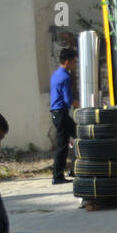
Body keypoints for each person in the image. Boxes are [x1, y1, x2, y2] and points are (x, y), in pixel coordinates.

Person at [50, 48, 79, 185]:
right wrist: (82, 105)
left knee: (76, 137)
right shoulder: (66, 77)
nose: (75, 64)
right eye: (74, 62)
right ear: (67, 62)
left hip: (58, 114)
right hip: (61, 113)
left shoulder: (56, 74)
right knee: (66, 144)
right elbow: (68, 100)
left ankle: (72, 170)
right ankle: (57, 176)